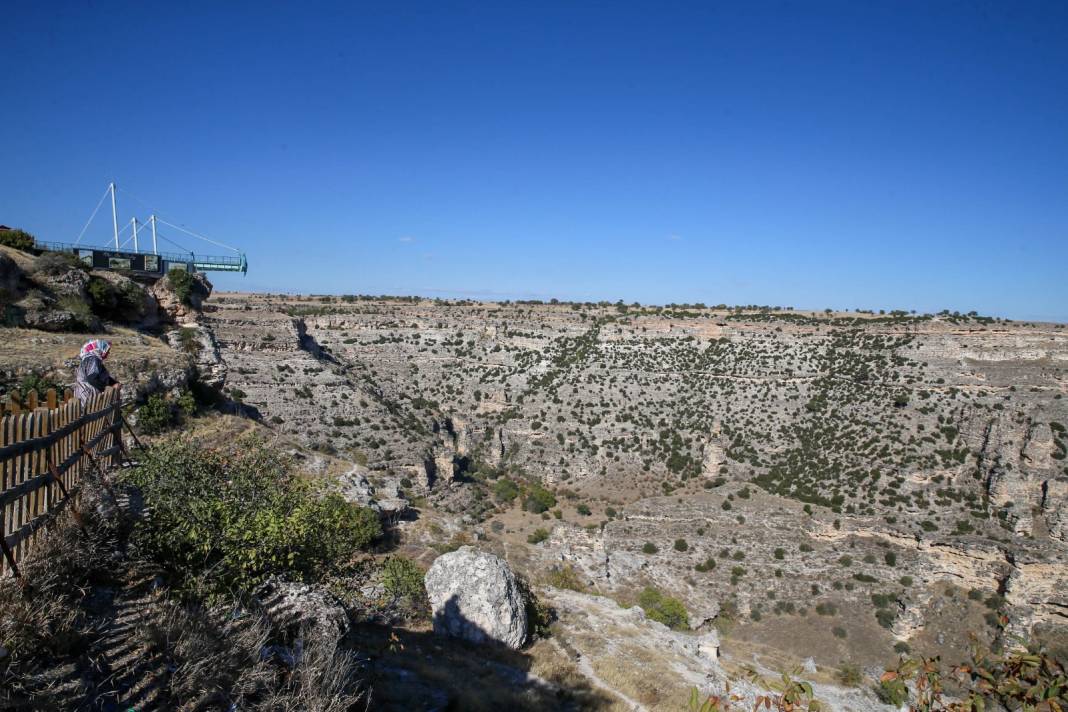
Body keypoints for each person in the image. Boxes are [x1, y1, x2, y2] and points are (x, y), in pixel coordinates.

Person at [75, 339, 117, 405]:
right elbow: (92, 378)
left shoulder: (91, 360)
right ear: (100, 349)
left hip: (86, 396)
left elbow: (102, 375)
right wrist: (106, 388)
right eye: (107, 350)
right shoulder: (93, 360)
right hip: (88, 397)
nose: (108, 353)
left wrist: (114, 383)